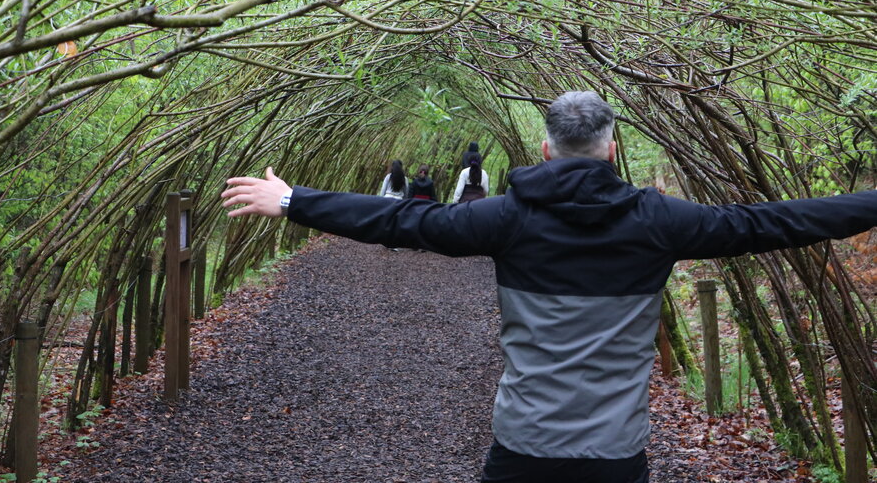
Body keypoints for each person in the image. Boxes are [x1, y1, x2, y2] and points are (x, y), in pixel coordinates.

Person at [221, 90, 877, 483]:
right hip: (616, 452)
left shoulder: (507, 220)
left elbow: (404, 219)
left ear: (543, 149)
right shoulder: (661, 222)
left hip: (525, 445)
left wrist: (293, 201)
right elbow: (773, 221)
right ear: (613, 150)